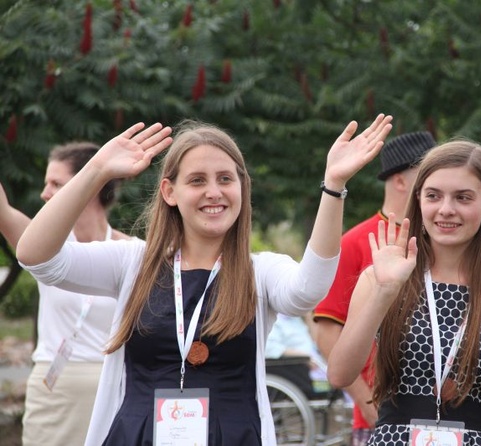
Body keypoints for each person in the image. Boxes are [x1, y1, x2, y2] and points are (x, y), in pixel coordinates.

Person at [15, 115, 393, 445]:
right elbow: (36, 256)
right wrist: (96, 170)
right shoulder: (132, 262)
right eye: (197, 180)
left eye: (225, 179)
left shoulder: (259, 271)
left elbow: (308, 291)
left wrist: (333, 186)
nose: (214, 192)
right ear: (170, 192)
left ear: (242, 189)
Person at [327, 139, 481, 446]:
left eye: (463, 198)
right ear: (419, 199)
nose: (446, 209)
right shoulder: (383, 278)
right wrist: (383, 293)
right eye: (433, 196)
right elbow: (339, 375)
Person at [0, 142, 130, 446]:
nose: (44, 193)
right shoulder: (43, 248)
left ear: (90, 186)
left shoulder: (133, 252)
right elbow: (3, 211)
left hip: (115, 387)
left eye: (56, 184)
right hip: (54, 391)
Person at [312, 130, 436, 445]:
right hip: (379, 414)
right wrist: (367, 403)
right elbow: (327, 332)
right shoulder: (356, 242)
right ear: (400, 181)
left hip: (439, 416)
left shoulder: (438, 241)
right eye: (427, 174)